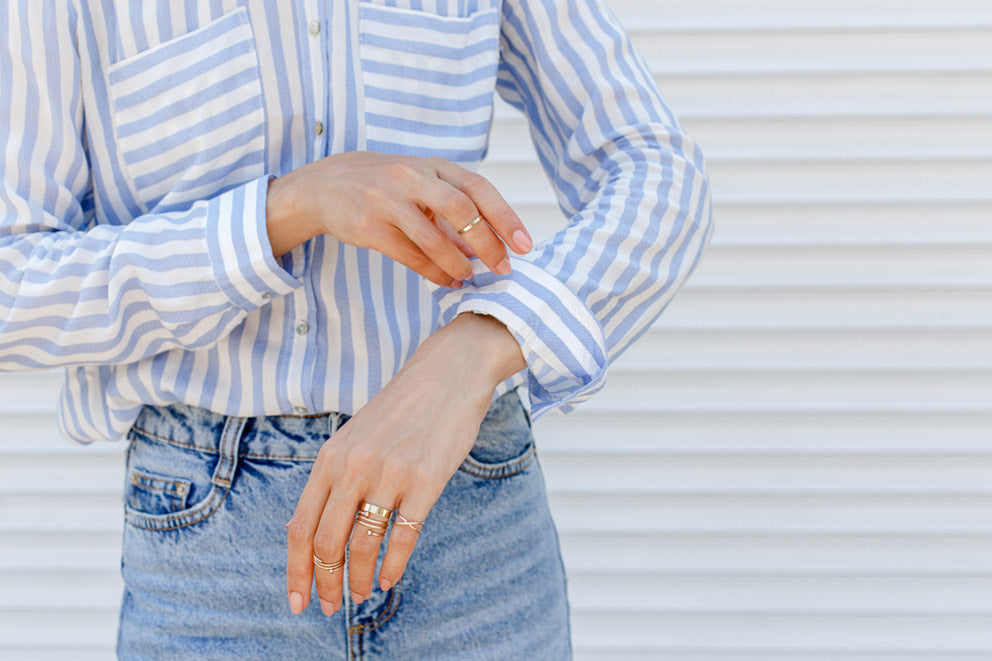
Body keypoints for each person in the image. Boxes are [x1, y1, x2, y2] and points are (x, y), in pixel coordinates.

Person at [1, 0, 712, 658]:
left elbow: (656, 168)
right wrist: (287, 208)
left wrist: (480, 347)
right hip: (210, 559)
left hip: (474, 524)